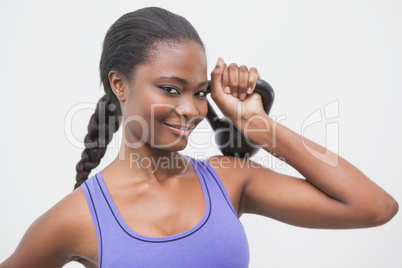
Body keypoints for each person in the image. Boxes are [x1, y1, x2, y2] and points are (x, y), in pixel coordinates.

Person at [0, 6, 398, 268]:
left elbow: (373, 207)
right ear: (119, 84)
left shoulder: (227, 179)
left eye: (201, 92)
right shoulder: (75, 217)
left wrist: (257, 125)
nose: (192, 109)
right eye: (171, 89)